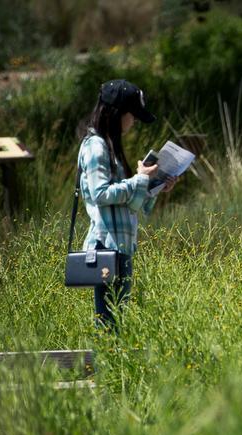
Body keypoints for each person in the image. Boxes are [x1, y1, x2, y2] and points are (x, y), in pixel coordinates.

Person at [77, 78, 177, 332]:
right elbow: (100, 194)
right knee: (108, 322)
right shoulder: (96, 147)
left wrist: (154, 187)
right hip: (106, 247)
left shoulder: (110, 147)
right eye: (132, 115)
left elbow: (128, 204)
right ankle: (104, 369)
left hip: (121, 246)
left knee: (117, 320)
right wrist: (140, 179)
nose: (133, 122)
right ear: (117, 112)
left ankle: (110, 367)